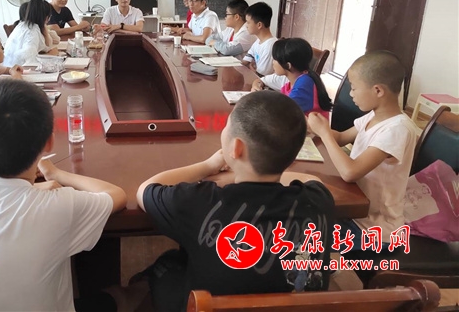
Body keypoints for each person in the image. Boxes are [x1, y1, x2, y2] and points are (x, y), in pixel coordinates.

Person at [0, 80, 127, 311]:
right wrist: (56, 174)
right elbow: (116, 195)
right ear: (49, 142)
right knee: (120, 295)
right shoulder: (59, 207)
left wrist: (33, 191)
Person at [137, 91, 334, 311]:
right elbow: (312, 180)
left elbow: (146, 189)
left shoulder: (201, 201)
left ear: (236, 147)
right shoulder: (318, 200)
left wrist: (209, 166)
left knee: (168, 262)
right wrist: (247, 170)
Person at [307, 51, 418, 250]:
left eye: (354, 88)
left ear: (378, 90)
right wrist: (312, 127)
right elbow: (341, 137)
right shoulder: (373, 117)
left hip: (374, 230)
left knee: (301, 238)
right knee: (304, 216)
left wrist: (323, 133)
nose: (351, 94)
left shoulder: (397, 129)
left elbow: (350, 172)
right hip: (357, 213)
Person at [252, 38, 332, 117]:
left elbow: (282, 112)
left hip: (310, 125)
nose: (273, 62)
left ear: (288, 65)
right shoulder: (293, 81)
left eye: (275, 59)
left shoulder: (304, 84)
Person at [3, 0, 60, 66]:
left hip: (12, 66)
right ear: (46, 17)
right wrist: (50, 55)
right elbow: (31, 62)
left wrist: (44, 29)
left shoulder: (25, 25)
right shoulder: (31, 32)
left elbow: (46, 47)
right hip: (17, 69)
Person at [242, 2, 277, 77]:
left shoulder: (270, 46)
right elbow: (245, 62)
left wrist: (251, 68)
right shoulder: (258, 42)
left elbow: (261, 76)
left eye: (248, 22)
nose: (246, 26)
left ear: (259, 25)